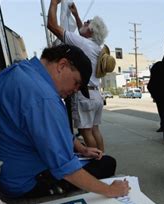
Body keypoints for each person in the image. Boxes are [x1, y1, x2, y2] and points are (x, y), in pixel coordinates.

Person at [0, 44, 129, 199]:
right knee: (106, 163)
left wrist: (82, 149)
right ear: (62, 65)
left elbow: (47, 130)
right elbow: (66, 168)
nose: (75, 90)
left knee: (94, 159)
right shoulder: (44, 97)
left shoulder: (19, 72)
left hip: (7, 172)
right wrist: (111, 190)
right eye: (76, 82)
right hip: (26, 181)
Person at [48, 0, 114, 152]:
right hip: (96, 94)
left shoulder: (83, 44)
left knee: (86, 132)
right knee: (95, 130)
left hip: (85, 95)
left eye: (88, 22)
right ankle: (102, 157)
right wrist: (76, 15)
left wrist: (53, 4)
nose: (84, 22)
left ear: (91, 31)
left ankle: (94, 160)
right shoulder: (96, 48)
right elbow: (81, 31)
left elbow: (52, 26)